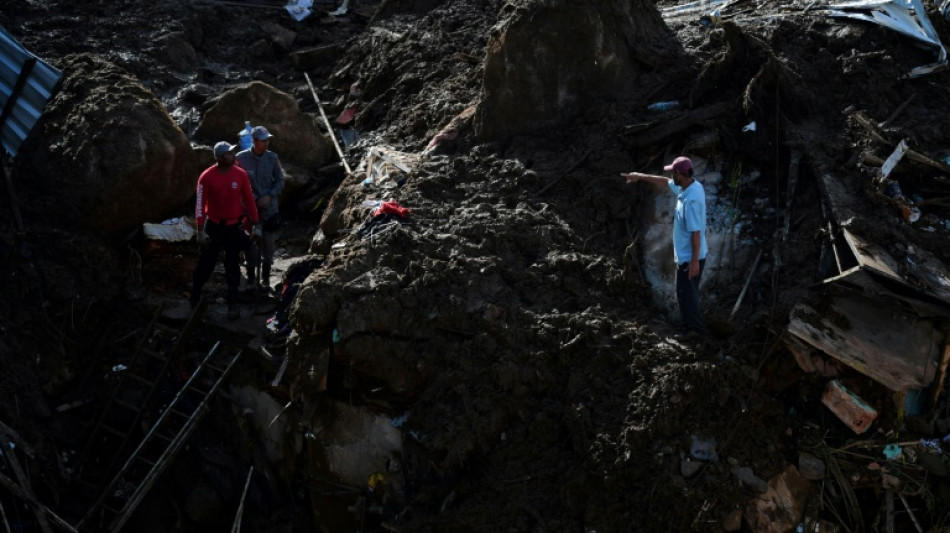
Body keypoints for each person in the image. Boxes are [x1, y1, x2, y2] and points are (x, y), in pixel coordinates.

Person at [621, 156, 708, 334]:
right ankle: (693, 328)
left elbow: (696, 233)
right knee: (688, 294)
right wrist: (640, 176)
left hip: (689, 258)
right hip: (693, 256)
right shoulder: (692, 186)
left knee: (686, 297)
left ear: (679, 174)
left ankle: (696, 333)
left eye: (672, 172)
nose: (670, 175)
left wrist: (693, 261)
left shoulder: (689, 202)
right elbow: (665, 182)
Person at [191, 141, 260, 319]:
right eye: (229, 154)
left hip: (233, 227)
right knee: (206, 263)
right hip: (213, 227)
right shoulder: (206, 177)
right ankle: (195, 297)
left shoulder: (240, 174)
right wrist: (200, 231)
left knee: (233, 265)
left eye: (232, 153)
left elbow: (249, 199)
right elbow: (200, 205)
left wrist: (256, 223)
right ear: (220, 158)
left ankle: (233, 302)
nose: (233, 155)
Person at [236, 125, 285, 292]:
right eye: (264, 140)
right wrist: (252, 199)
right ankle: (250, 279)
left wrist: (270, 195)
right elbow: (237, 184)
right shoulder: (241, 159)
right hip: (249, 210)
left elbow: (280, 180)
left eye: (268, 140)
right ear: (255, 141)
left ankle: (265, 279)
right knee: (250, 245)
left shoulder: (272, 158)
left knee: (269, 245)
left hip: (269, 209)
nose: (267, 143)